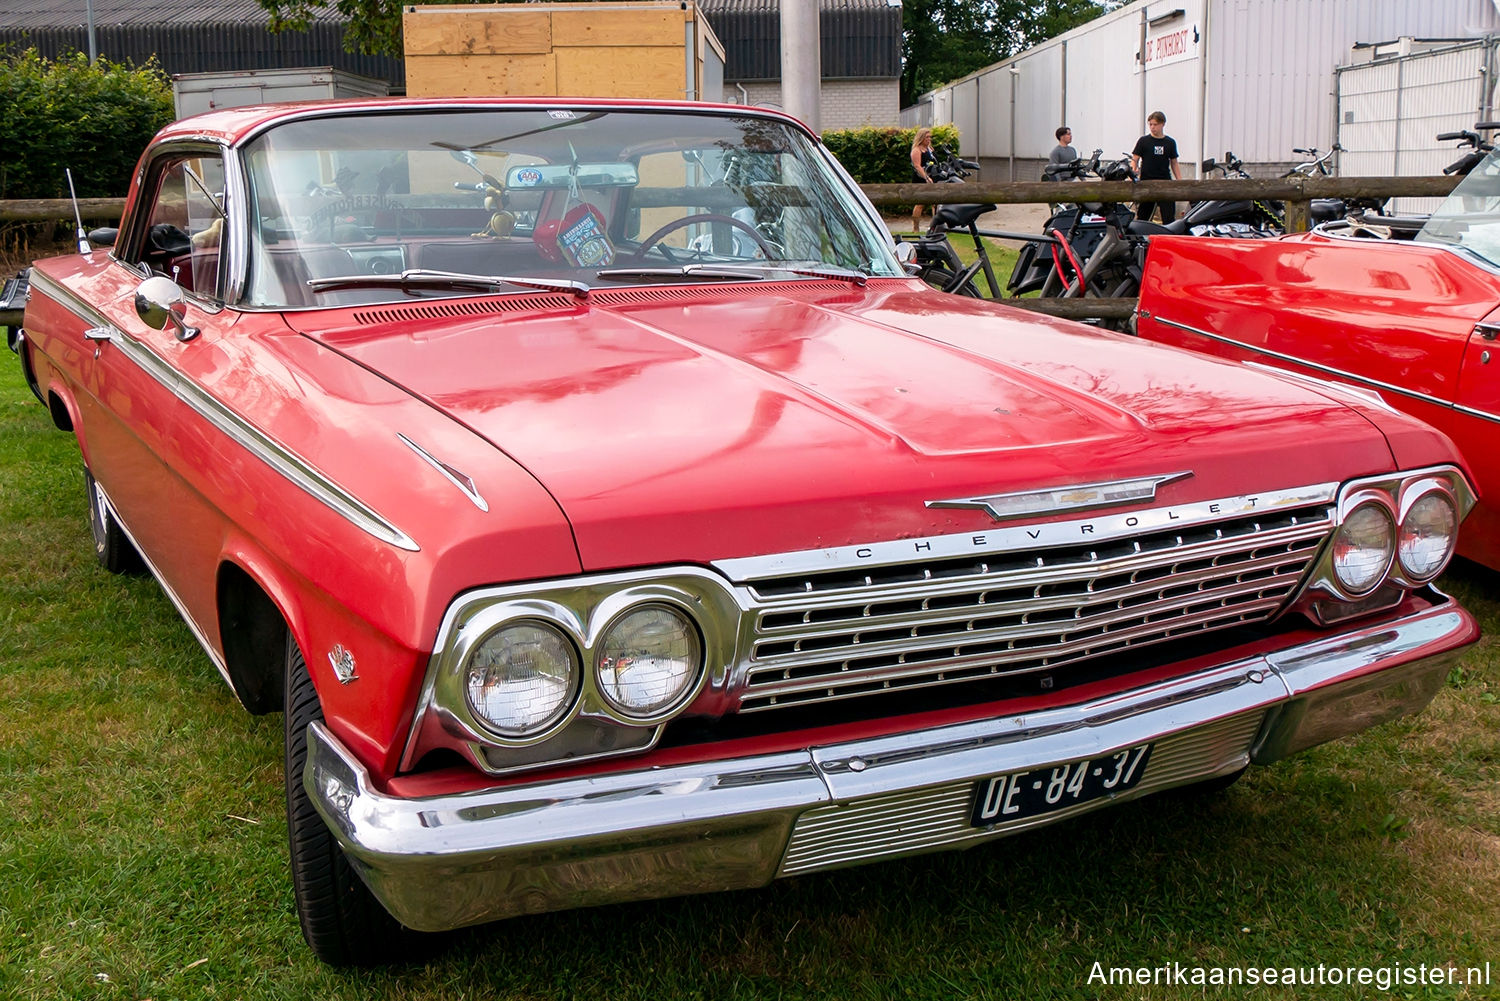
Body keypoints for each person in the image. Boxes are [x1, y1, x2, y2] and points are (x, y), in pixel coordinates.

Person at [1130, 111, 1182, 223]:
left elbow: (1174, 162)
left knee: (1168, 216)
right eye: (1150, 124)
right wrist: (1133, 172)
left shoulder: (1170, 142)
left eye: (1155, 124)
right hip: (1146, 182)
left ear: (1162, 124)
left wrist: (1179, 180)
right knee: (1143, 216)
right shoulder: (1143, 141)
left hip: (1165, 182)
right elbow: (1134, 159)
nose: (1152, 127)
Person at [910, 127, 936, 234]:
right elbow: (917, 166)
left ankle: (935, 228)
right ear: (921, 138)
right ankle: (916, 228)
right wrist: (926, 178)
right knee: (920, 204)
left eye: (930, 137)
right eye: (927, 137)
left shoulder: (929, 149)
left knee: (935, 204)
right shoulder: (916, 150)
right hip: (920, 179)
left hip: (932, 177)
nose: (929, 139)